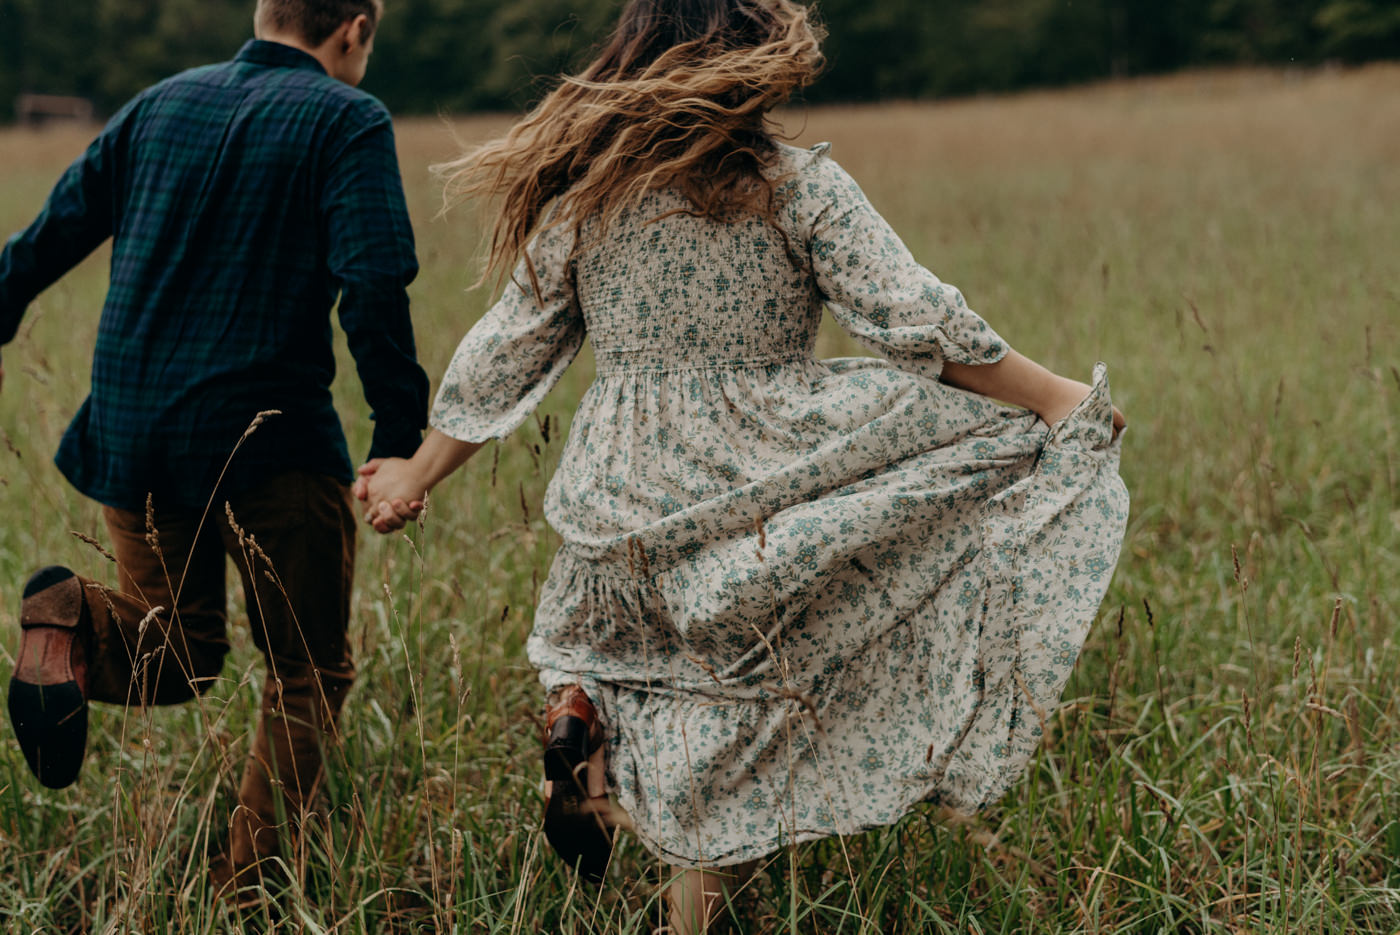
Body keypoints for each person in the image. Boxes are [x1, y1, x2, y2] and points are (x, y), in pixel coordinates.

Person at [357, 0, 1128, 930]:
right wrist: (1052, 399)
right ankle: (691, 920)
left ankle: (581, 712)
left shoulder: (590, 200)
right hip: (762, 476)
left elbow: (505, 349)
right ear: (754, 64)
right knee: (727, 717)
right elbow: (913, 317)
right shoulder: (793, 185)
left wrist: (416, 471)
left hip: (622, 481)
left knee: (621, 658)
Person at [1, 0, 428, 901]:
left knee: (178, 651)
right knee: (306, 674)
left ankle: (69, 615)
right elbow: (374, 281)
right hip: (268, 445)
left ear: (263, 11)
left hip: (135, 434)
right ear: (355, 26)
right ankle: (252, 893)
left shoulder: (159, 103)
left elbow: (54, 231)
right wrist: (399, 440)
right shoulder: (349, 118)